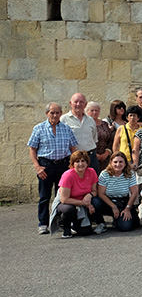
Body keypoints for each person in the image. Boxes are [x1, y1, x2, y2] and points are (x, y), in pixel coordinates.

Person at [29, 102, 78, 234]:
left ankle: (60, 222)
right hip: (46, 166)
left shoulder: (67, 129)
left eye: (57, 112)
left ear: (61, 114)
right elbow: (32, 149)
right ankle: (43, 223)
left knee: (62, 196)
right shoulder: (38, 128)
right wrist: (37, 166)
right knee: (44, 196)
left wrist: (72, 167)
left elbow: (73, 149)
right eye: (52, 112)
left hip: (63, 165)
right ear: (47, 114)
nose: (55, 115)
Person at [55, 150, 100, 238]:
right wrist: (86, 204)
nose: (81, 164)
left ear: (87, 162)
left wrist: (89, 195)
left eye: (83, 161)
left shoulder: (91, 172)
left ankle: (78, 224)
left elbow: (95, 191)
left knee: (86, 232)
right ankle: (66, 228)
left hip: (83, 202)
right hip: (67, 203)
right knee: (68, 209)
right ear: (73, 164)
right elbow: (64, 199)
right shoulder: (67, 175)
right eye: (77, 161)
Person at [93, 152, 139, 232]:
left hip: (123, 203)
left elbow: (134, 193)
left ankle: (118, 220)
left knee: (125, 227)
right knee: (95, 201)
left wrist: (128, 208)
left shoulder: (130, 173)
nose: (118, 164)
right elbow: (101, 193)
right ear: (111, 162)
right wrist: (113, 207)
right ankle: (101, 223)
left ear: (125, 163)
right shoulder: (104, 174)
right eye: (115, 162)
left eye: (121, 162)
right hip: (108, 203)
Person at [61, 93, 98, 171]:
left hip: (90, 157)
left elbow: (94, 138)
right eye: (76, 102)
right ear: (70, 103)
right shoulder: (63, 120)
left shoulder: (90, 120)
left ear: (85, 104)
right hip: (74, 158)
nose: (78, 104)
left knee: (92, 182)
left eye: (81, 102)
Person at [87, 101, 115, 172]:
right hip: (90, 156)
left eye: (96, 110)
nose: (94, 112)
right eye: (92, 110)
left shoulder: (104, 124)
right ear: (87, 111)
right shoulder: (85, 125)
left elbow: (110, 139)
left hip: (105, 158)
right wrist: (94, 154)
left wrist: (107, 153)